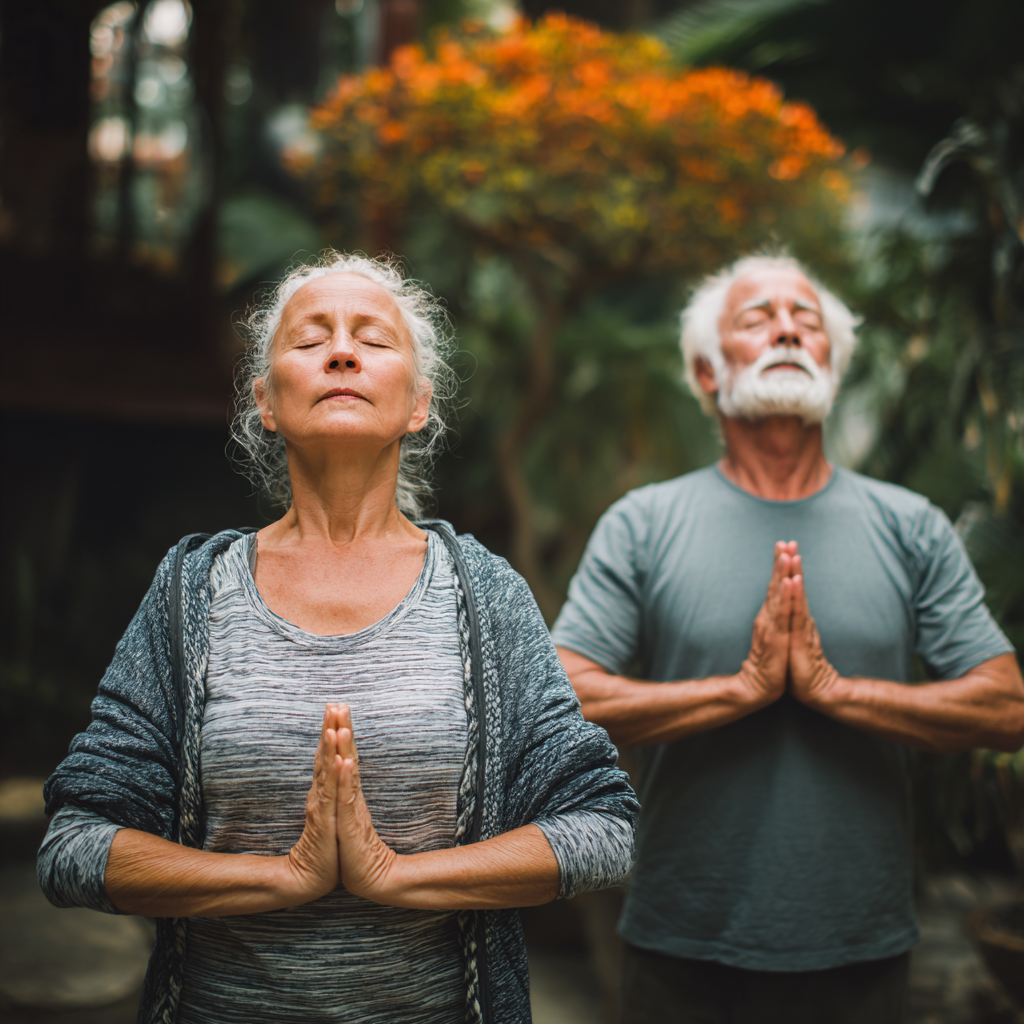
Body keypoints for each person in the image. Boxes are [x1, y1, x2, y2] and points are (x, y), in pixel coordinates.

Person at [38, 252, 638, 1024]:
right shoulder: (192, 592)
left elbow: (601, 827)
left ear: (419, 403)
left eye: (374, 339)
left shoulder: (485, 595)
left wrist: (393, 877)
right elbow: (75, 844)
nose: (343, 352)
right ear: (265, 401)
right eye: (311, 337)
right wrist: (281, 879)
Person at [551, 254, 1024, 1024]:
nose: (787, 330)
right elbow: (566, 696)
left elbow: (1005, 705)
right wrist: (740, 690)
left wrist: (836, 692)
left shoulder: (911, 527)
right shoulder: (642, 523)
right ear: (707, 373)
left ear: (833, 365)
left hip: (860, 949)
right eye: (757, 318)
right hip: (680, 950)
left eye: (808, 321)